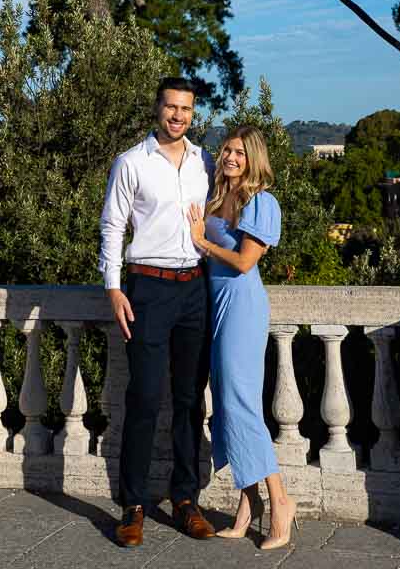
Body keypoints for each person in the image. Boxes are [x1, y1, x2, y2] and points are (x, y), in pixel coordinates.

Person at [99, 76, 216, 548]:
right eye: (171, 107)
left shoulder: (205, 160)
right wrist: (112, 287)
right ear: (157, 109)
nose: (178, 116)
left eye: (185, 109)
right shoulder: (130, 163)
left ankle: (185, 499)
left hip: (195, 289)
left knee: (190, 400)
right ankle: (133, 505)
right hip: (147, 288)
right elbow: (112, 225)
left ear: (193, 113)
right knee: (145, 398)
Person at [186, 124, 298, 549]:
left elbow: (245, 262)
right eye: (228, 150)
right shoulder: (217, 197)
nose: (231, 158)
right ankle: (248, 504)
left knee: (241, 405)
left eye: (240, 153)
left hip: (242, 307)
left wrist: (203, 242)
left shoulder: (260, 201)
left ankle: (280, 501)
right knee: (228, 407)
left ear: (254, 159)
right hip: (215, 306)